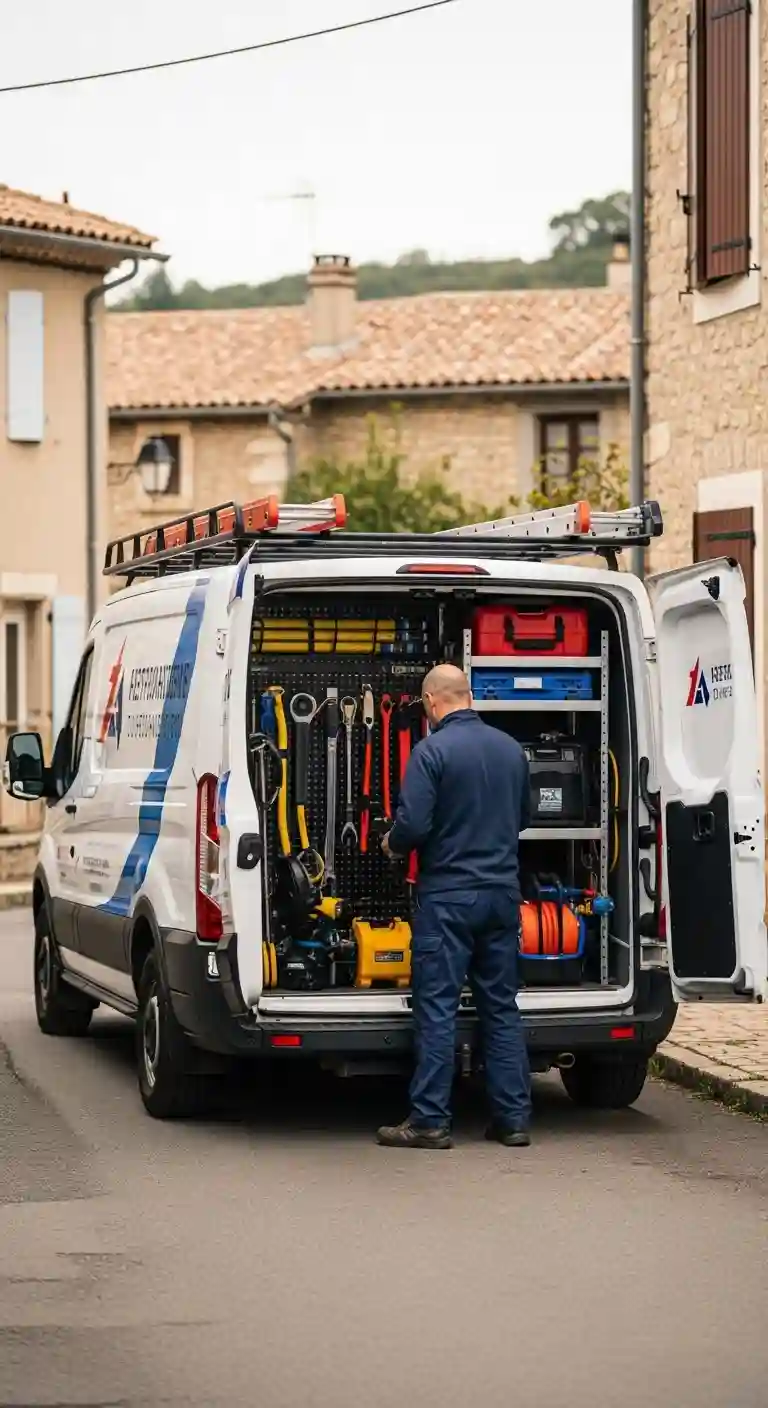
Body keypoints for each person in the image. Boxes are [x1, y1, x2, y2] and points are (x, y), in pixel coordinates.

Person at [377, 663, 531, 1151]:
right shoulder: (511, 750)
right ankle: (513, 1120)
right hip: (502, 895)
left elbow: (413, 826)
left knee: (439, 1007)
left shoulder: (430, 751)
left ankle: (429, 1120)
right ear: (469, 695)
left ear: (430, 702)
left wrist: (390, 844)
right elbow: (523, 817)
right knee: (501, 1006)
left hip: (448, 898)